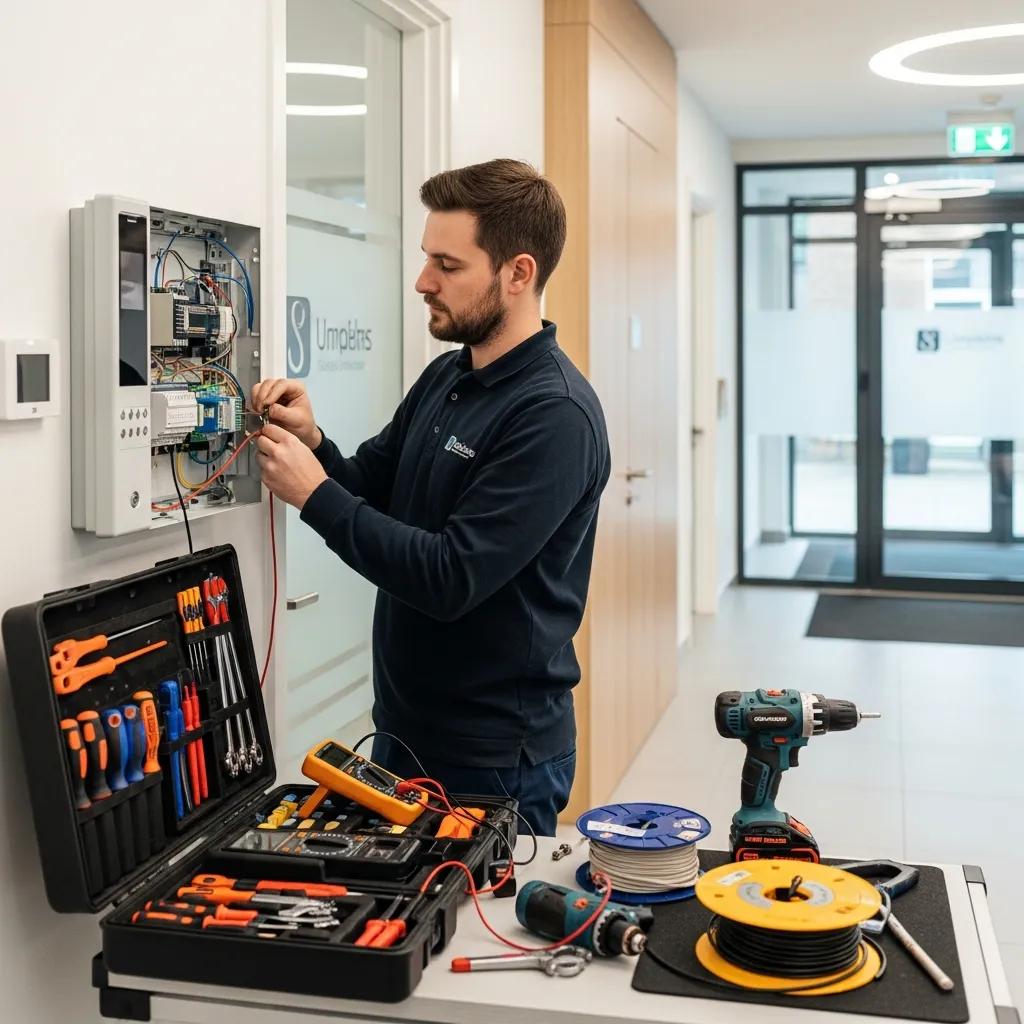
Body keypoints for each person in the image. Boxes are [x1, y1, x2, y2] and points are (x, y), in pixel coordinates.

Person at [253, 159, 610, 836]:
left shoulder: (554, 415)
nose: (423, 281)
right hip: (404, 731)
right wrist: (315, 444)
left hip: (493, 758)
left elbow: (450, 577)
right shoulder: (448, 375)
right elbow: (371, 484)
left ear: (518, 273)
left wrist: (314, 494)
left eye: (447, 265)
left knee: (475, 906)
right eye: (426, 259)